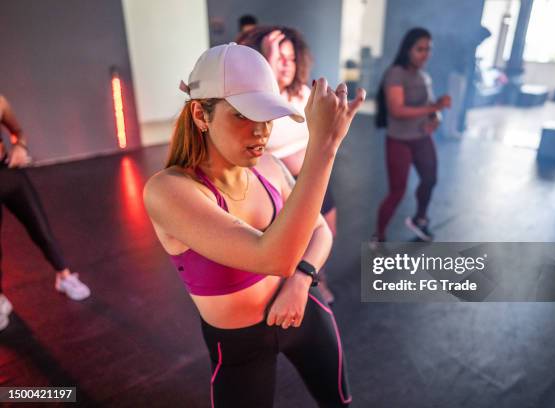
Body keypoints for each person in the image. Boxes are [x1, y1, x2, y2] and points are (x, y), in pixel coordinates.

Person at [143, 44, 364, 407]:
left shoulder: (269, 168)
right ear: (201, 114)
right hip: (239, 345)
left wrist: (301, 278)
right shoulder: (168, 191)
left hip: (303, 310)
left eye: (267, 117)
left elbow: (320, 230)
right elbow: (273, 257)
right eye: (244, 115)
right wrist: (323, 147)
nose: (261, 132)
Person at [238, 26, 338, 303]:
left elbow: (318, 137)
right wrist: (265, 70)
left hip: (312, 176)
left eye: (291, 58)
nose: (285, 64)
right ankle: (288, 290)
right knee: (290, 245)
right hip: (276, 185)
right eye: (277, 57)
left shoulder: (303, 94)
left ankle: (318, 281)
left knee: (326, 233)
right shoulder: (253, 100)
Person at [0, 95, 91, 331]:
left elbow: (18, 132)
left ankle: (64, 276)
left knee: (41, 228)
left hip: (8, 174)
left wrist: (20, 147)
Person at [373, 28, 451, 243]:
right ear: (408, 50)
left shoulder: (424, 76)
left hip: (421, 138)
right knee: (397, 191)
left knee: (430, 179)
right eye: (420, 49)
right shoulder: (396, 73)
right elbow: (397, 110)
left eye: (428, 49)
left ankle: (420, 219)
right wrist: (433, 107)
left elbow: (430, 107)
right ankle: (378, 236)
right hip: (399, 140)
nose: (425, 54)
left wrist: (436, 117)